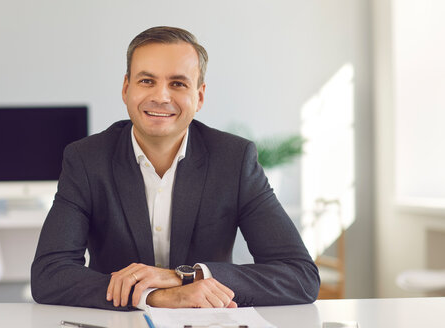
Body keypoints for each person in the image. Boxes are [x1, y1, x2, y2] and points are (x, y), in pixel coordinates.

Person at [31, 26, 320, 311]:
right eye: (147, 81)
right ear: (126, 88)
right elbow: (49, 274)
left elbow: (299, 276)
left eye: (178, 84)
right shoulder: (86, 159)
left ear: (200, 96)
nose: (161, 96)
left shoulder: (234, 159)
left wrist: (184, 277)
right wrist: (155, 297)